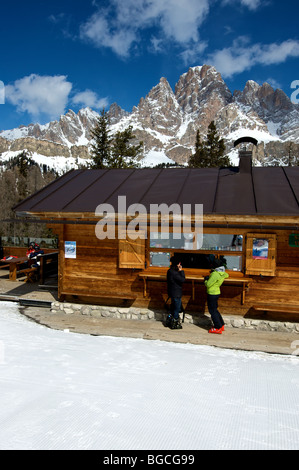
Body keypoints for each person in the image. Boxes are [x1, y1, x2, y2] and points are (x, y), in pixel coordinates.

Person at [204, 263, 229, 334]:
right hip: (217, 292)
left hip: (212, 293)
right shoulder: (222, 273)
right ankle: (221, 324)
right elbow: (227, 275)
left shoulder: (215, 274)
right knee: (215, 309)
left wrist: (205, 280)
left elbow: (208, 284)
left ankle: (217, 327)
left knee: (212, 311)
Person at [166, 257, 185, 329]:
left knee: (173, 307)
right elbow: (182, 280)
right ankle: (175, 323)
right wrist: (181, 271)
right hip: (176, 293)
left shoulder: (170, 271)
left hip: (172, 292)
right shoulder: (175, 273)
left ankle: (170, 321)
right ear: (178, 264)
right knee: (176, 309)